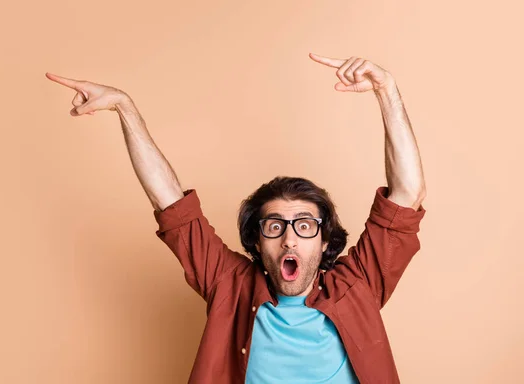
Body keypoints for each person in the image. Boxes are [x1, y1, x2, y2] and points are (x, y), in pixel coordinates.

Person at [46, 54, 427, 384]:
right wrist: (124, 107)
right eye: (274, 226)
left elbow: (407, 195)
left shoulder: (359, 284)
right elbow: (170, 204)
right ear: (257, 242)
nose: (289, 240)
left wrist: (386, 89)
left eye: (305, 225)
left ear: (325, 241)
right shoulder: (229, 284)